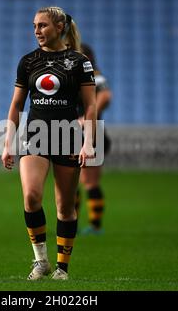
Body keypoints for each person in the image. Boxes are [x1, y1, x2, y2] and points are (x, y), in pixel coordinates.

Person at [1, 6, 97, 280]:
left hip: (67, 135)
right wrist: (8, 143)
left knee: (65, 207)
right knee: (31, 197)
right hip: (36, 134)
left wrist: (88, 142)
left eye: (42, 26)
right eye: (34, 26)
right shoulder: (28, 61)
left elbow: (90, 106)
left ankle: (62, 268)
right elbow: (16, 105)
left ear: (59, 27)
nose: (37, 31)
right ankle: (40, 261)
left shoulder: (79, 62)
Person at [75, 43, 112, 235]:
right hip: (79, 133)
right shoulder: (79, 78)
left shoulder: (95, 76)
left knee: (89, 181)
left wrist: (89, 115)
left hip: (92, 133)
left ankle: (95, 226)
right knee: (74, 180)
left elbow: (106, 96)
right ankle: (73, 223)